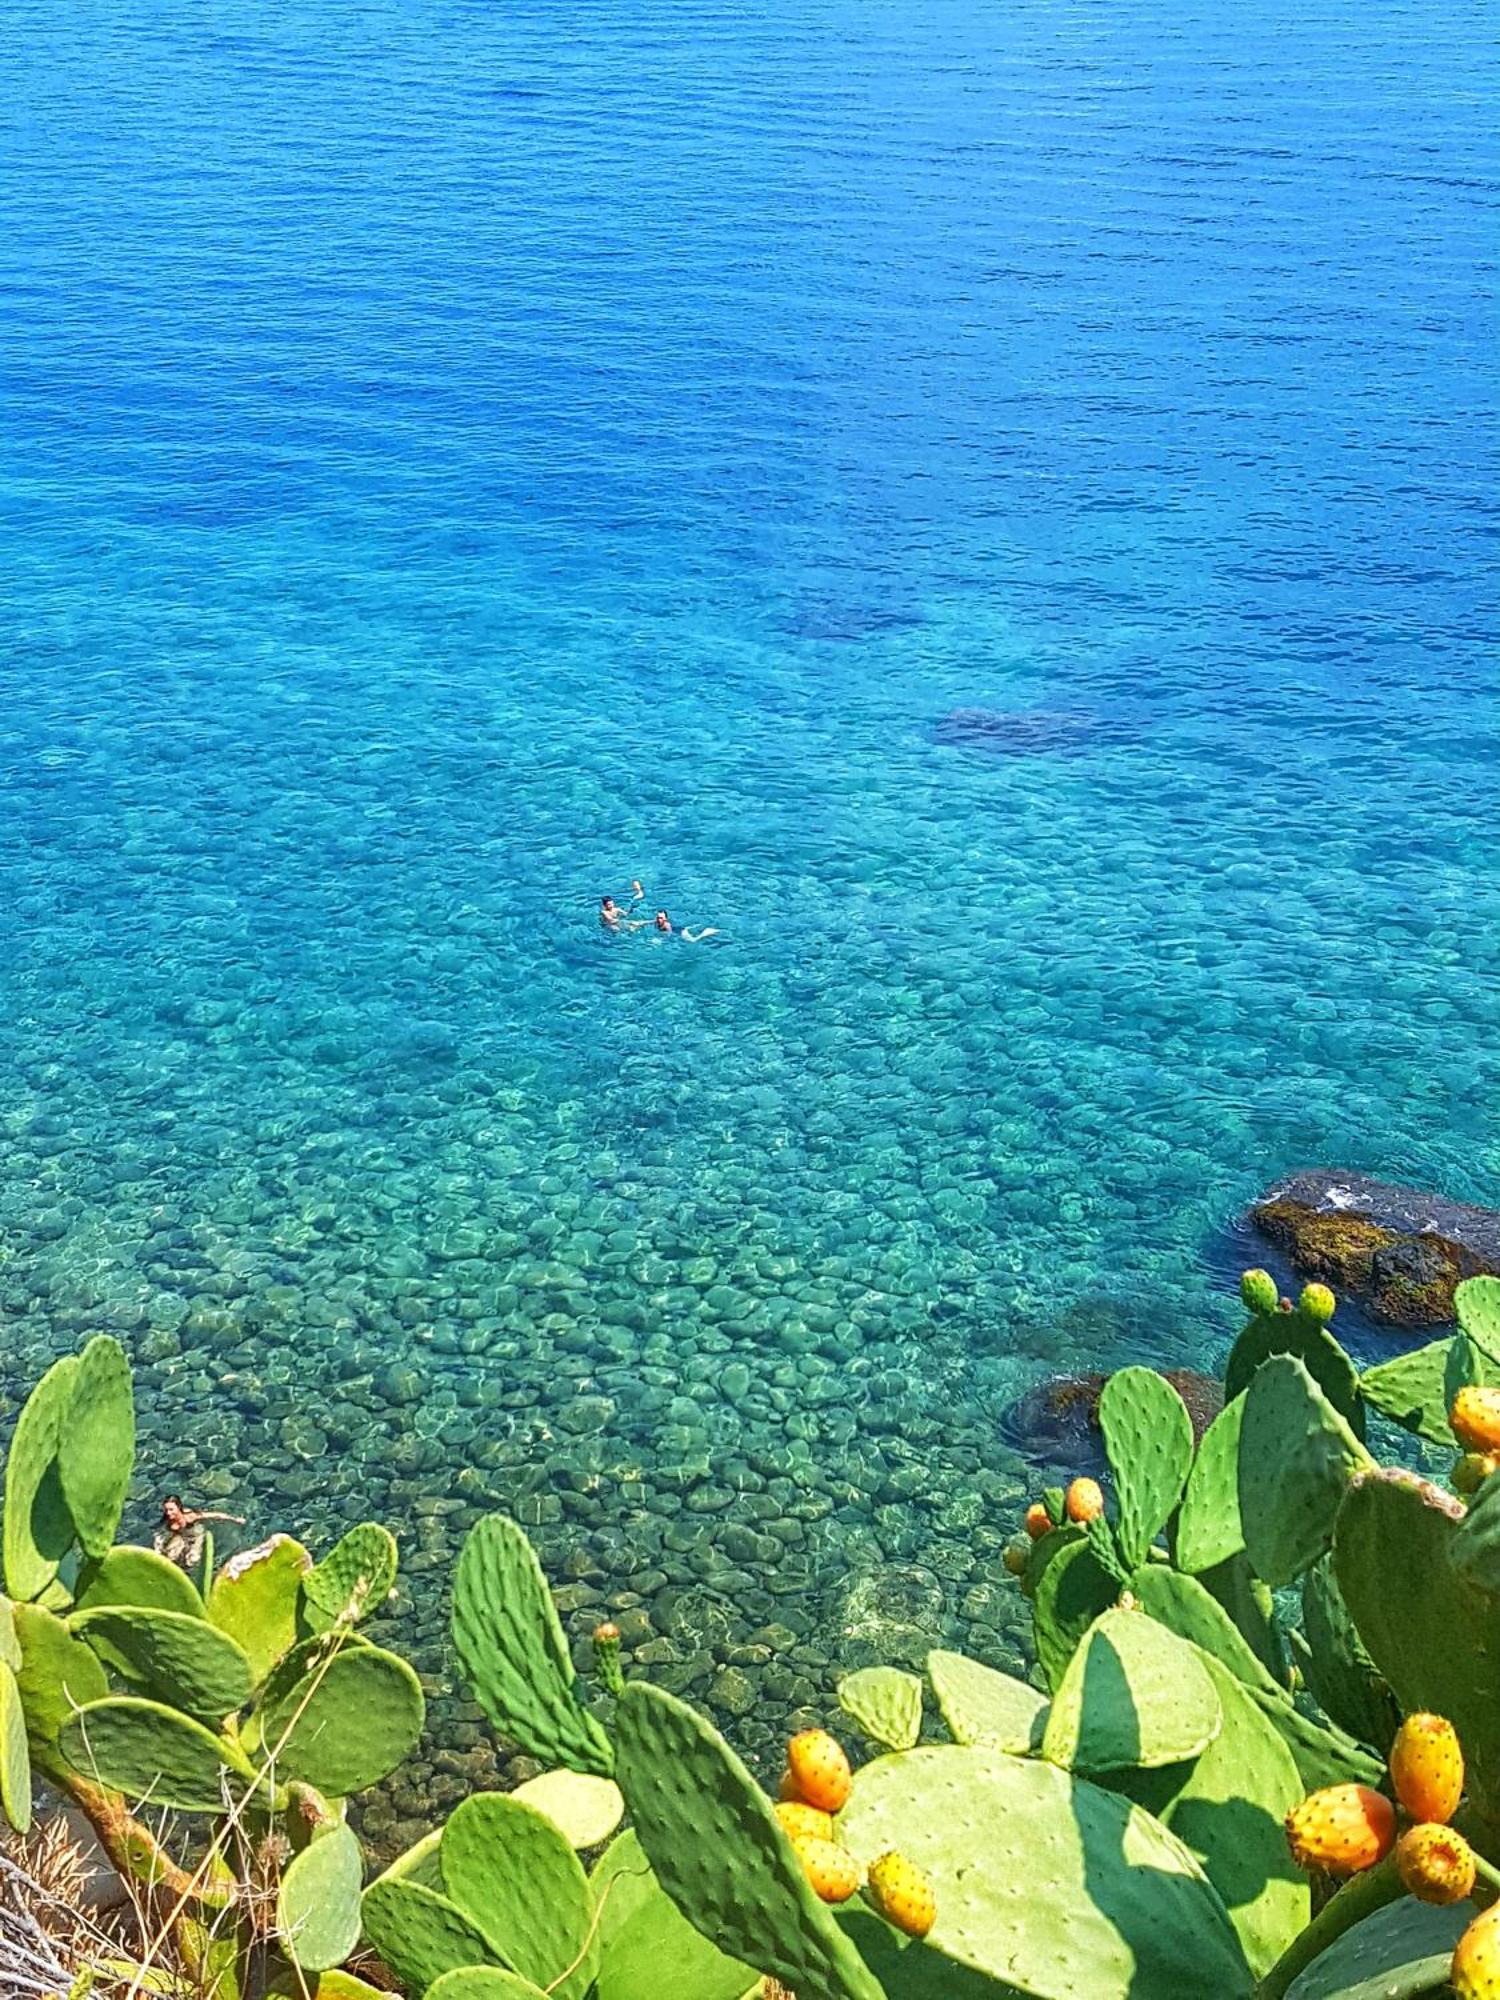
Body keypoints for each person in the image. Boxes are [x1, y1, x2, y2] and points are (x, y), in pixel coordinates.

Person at [654, 909, 720, 942]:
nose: (659, 919)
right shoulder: (657, 921)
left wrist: (660, 940)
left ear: (665, 919)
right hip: (678, 928)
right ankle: (692, 927)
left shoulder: (667, 925)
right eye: (658, 917)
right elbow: (650, 921)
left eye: (661, 918)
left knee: (693, 940)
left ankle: (706, 932)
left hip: (680, 932)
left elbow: (669, 934)